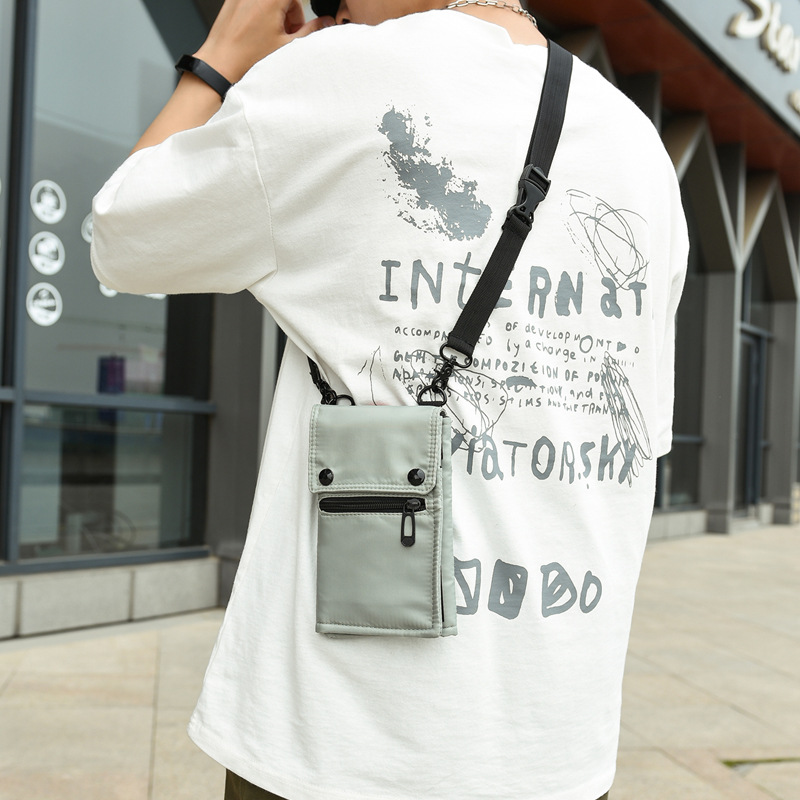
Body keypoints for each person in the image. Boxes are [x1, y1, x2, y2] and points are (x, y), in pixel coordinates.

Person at [91, 0, 688, 797]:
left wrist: (221, 55)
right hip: (557, 748)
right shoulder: (638, 147)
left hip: (337, 742)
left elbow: (122, 235)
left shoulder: (340, 78)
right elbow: (636, 442)